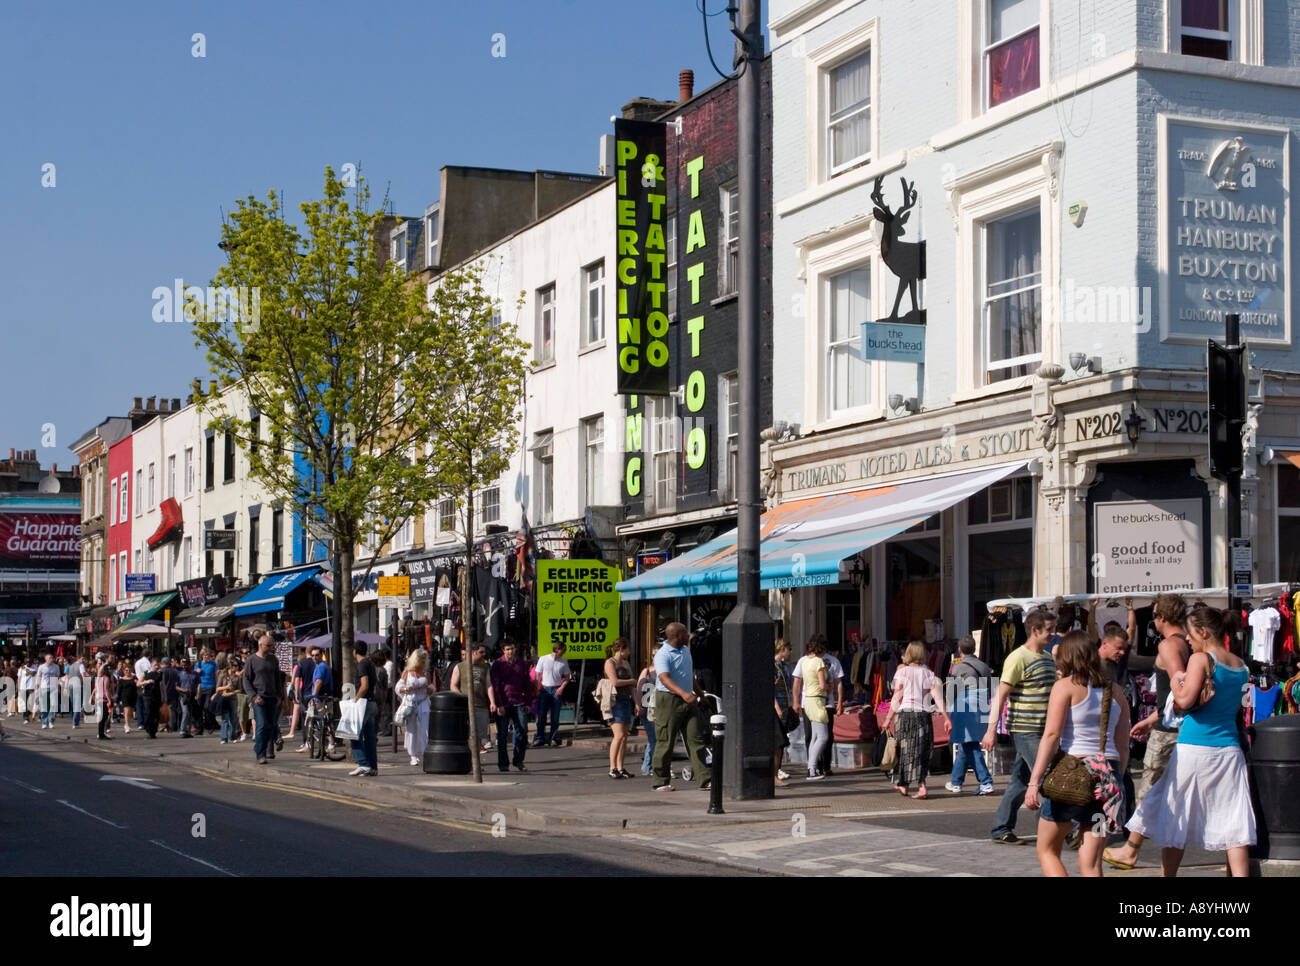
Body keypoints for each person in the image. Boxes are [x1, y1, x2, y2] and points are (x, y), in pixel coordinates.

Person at [1126, 604, 1254, 877]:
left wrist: (1176, 681)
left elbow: (1184, 701)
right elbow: (1239, 708)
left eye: (1191, 633)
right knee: (1234, 819)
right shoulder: (1241, 666)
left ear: (1204, 632)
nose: (1187, 639)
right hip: (1229, 748)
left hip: (1195, 747)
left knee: (1177, 814)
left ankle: (1168, 876)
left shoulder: (1201, 659)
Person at [1025, 632, 1131, 876]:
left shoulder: (1065, 687)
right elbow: (1123, 744)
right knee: (1092, 863)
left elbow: (1051, 736)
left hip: (1072, 774)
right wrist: (1116, 777)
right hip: (1108, 773)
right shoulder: (1116, 692)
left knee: (1048, 849)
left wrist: (1034, 781)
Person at [1102, 594, 1190, 871]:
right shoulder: (1187, 643)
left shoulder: (1168, 645)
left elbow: (1180, 685)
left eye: (1154, 614)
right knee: (1176, 794)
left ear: (1161, 618)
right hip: (1171, 725)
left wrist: (1165, 718)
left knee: (1149, 790)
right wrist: (1153, 717)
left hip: (1169, 732)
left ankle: (1130, 849)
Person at [983, 607, 1057, 844]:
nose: (1052, 634)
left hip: (1044, 730)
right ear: (1034, 631)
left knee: (1020, 779)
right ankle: (1064, 826)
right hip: (1025, 729)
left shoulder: (1047, 658)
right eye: (1049, 630)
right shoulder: (1017, 658)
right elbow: (1000, 696)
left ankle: (1000, 828)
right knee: (1048, 775)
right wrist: (990, 730)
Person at [884, 641, 951, 799]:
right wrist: (946, 718)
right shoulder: (928, 674)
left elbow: (896, 696)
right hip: (923, 714)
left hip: (905, 714)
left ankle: (909, 785)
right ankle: (914, 785)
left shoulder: (902, 672)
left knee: (904, 749)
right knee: (921, 750)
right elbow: (937, 697)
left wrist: (888, 718)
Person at [650, 622, 711, 792]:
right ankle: (660, 781)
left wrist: (700, 695)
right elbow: (664, 678)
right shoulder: (663, 654)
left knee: (696, 739)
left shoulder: (685, 650)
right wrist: (683, 694)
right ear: (676, 636)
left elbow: (688, 676)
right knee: (666, 740)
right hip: (669, 699)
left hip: (688, 698)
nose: (688, 635)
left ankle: (704, 779)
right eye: (685, 633)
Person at [945, 635, 995, 795]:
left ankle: (985, 781)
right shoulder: (984, 666)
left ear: (959, 650)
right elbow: (992, 689)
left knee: (970, 744)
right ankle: (956, 781)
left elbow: (951, 692)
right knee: (964, 744)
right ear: (974, 649)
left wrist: (946, 708)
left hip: (965, 707)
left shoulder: (958, 668)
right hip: (982, 706)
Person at [793, 634, 843, 777]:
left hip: (813, 702)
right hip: (817, 701)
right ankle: (813, 767)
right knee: (819, 736)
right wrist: (829, 687)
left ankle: (819, 766)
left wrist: (839, 702)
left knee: (818, 736)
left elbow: (839, 682)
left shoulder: (817, 661)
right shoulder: (814, 662)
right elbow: (800, 683)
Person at [490, 640, 531, 773]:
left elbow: (527, 683)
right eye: (507, 649)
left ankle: (518, 760)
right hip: (504, 703)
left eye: (512, 649)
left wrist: (528, 702)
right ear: (503, 650)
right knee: (502, 735)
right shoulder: (498, 664)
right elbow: (495, 686)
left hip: (519, 701)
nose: (510, 651)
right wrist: (498, 704)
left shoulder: (521, 664)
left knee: (522, 731)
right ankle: (503, 763)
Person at [244, 634, 282, 764]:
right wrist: (254, 696)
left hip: (271, 697)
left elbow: (277, 679)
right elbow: (246, 680)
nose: (271, 647)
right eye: (269, 645)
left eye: (272, 645)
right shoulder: (251, 660)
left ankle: (259, 747)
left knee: (270, 726)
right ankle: (261, 754)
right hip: (259, 698)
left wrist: (279, 696)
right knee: (261, 725)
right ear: (260, 645)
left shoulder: (273, 659)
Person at [450, 644, 494, 753]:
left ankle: (477, 764)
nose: (484, 654)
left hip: (481, 705)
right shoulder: (460, 666)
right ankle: (468, 761)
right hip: (466, 707)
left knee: (480, 735)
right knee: (467, 734)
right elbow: (453, 685)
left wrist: (492, 702)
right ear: (474, 652)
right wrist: (462, 698)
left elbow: (489, 685)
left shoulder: (485, 667)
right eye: (481, 652)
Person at [395, 649, 434, 766]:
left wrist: (428, 688)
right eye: (420, 658)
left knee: (425, 729)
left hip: (423, 702)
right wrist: (406, 689)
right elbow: (398, 687)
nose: (422, 661)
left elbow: (432, 688)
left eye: (424, 659)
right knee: (411, 730)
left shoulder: (426, 673)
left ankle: (425, 752)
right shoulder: (407, 672)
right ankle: (413, 755)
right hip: (410, 703)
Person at [605, 638, 636, 779]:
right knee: (618, 735)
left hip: (626, 701)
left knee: (624, 736)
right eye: (628, 649)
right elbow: (615, 682)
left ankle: (620, 767)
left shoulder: (626, 663)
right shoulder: (610, 662)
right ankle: (612, 767)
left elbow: (632, 688)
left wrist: (637, 703)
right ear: (622, 649)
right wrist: (632, 681)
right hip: (615, 702)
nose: (629, 652)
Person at [347, 641, 379, 776]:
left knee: (353, 734)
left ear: (354, 651)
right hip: (372, 703)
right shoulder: (370, 663)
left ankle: (363, 764)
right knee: (369, 737)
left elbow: (364, 685)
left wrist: (356, 699)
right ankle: (373, 767)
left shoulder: (361, 665)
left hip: (363, 704)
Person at [533, 642, 571, 748]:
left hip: (556, 688)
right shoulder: (543, 659)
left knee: (555, 716)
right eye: (562, 650)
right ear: (556, 649)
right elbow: (537, 674)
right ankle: (540, 737)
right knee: (541, 715)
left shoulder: (563, 661)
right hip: (544, 688)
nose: (563, 653)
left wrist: (562, 687)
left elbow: (567, 677)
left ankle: (553, 738)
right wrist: (537, 688)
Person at [635, 643, 660, 776]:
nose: (655, 657)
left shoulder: (665, 670)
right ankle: (648, 766)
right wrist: (638, 705)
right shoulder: (646, 671)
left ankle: (649, 765)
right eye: (653, 655)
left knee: (658, 738)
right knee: (653, 738)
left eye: (657, 654)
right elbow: (639, 689)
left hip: (660, 708)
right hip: (647, 708)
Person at [773, 639, 795, 785]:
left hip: (785, 704)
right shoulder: (772, 666)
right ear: (782, 649)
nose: (790, 652)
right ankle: (775, 772)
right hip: (778, 706)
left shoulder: (785, 666)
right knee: (778, 742)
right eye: (789, 649)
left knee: (782, 740)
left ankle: (778, 769)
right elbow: (769, 688)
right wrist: (777, 708)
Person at [288, 647, 315, 741]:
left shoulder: (300, 665)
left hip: (301, 690)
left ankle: (296, 733)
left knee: (302, 714)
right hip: (313, 690)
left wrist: (295, 692)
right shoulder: (318, 664)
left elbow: (296, 679)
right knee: (314, 713)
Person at [194, 649, 217, 736]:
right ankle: (199, 729)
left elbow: (216, 676)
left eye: (207, 655)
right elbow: (195, 676)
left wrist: (216, 687)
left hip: (210, 687)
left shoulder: (213, 664)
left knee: (207, 707)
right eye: (204, 655)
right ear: (202, 655)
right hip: (201, 687)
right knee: (199, 708)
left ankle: (210, 725)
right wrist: (197, 672)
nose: (206, 656)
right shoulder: (198, 664)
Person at [36, 652, 61, 728]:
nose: (52, 659)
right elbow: (39, 676)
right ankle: (44, 722)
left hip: (53, 688)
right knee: (44, 706)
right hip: (44, 688)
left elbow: (57, 676)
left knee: (53, 705)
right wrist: (37, 685)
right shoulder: (41, 667)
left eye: (52, 658)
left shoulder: (56, 667)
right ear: (46, 659)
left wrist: (58, 687)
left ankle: (51, 721)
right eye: (50, 658)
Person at [94, 658, 117, 740]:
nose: (111, 671)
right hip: (104, 699)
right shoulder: (106, 678)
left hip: (99, 698)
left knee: (102, 717)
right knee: (104, 717)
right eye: (110, 669)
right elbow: (106, 690)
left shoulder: (99, 677)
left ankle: (101, 733)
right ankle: (101, 734)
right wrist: (110, 700)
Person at [140, 658, 163, 738]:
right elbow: (138, 683)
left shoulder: (160, 674)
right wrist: (146, 682)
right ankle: (149, 730)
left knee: (156, 714)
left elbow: (162, 686)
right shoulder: (146, 673)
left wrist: (164, 697)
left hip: (157, 696)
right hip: (147, 696)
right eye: (155, 665)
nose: (157, 667)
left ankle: (153, 731)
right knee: (148, 713)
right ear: (151, 665)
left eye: (158, 665)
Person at [176, 658, 198, 737]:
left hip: (192, 695)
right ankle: (182, 730)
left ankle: (188, 731)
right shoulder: (179, 674)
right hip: (183, 696)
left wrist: (197, 694)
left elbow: (198, 684)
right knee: (186, 712)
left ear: (189, 665)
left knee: (190, 714)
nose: (184, 666)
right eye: (183, 665)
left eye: (186, 665)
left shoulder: (194, 674)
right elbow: (176, 686)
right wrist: (182, 689)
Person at [65, 654, 87, 728]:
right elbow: (83, 675)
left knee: (74, 705)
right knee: (78, 705)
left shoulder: (70, 666)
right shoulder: (81, 666)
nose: (84, 661)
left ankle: (75, 721)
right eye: (83, 659)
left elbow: (67, 677)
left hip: (71, 686)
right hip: (78, 686)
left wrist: (66, 687)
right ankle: (75, 723)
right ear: (79, 659)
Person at [159, 657, 180, 733]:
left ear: (162, 663)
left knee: (162, 710)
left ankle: (162, 725)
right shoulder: (175, 671)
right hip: (173, 692)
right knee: (172, 710)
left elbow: (160, 683)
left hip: (163, 693)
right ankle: (172, 726)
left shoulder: (161, 671)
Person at [117, 666, 137, 733]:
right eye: (126, 670)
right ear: (123, 671)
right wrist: (118, 699)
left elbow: (137, 687)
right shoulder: (121, 680)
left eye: (129, 670)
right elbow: (119, 691)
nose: (127, 671)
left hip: (133, 697)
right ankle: (127, 726)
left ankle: (127, 724)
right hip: (125, 697)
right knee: (127, 711)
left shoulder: (134, 679)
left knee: (131, 713)